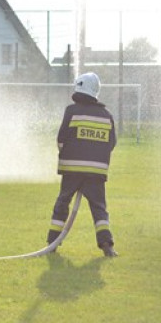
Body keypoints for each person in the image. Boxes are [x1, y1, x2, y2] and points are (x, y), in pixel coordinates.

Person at [46, 72, 118, 257]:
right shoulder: (106, 115)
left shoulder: (71, 111)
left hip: (71, 169)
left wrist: (68, 155)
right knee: (99, 208)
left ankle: (52, 243)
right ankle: (107, 246)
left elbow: (61, 139)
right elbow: (111, 144)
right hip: (96, 171)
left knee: (63, 203)